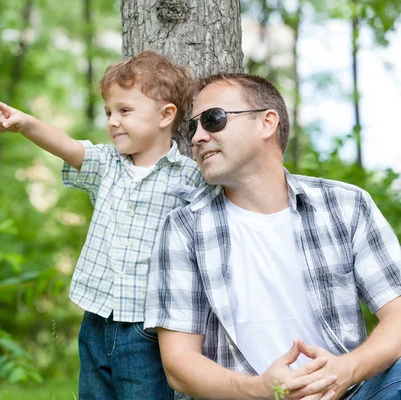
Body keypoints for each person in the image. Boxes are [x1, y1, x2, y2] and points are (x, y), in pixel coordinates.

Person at [144, 73, 401, 399]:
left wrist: (344, 372)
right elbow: (179, 363)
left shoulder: (346, 206)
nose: (197, 137)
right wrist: (260, 390)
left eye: (212, 119)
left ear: (266, 123)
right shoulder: (183, 229)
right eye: (192, 127)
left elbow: (398, 317)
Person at [0, 50, 202, 399]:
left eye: (124, 110)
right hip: (96, 316)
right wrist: (26, 123)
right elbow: (67, 146)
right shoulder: (107, 164)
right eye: (109, 112)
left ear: (166, 115)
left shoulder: (189, 177)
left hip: (147, 325)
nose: (112, 121)